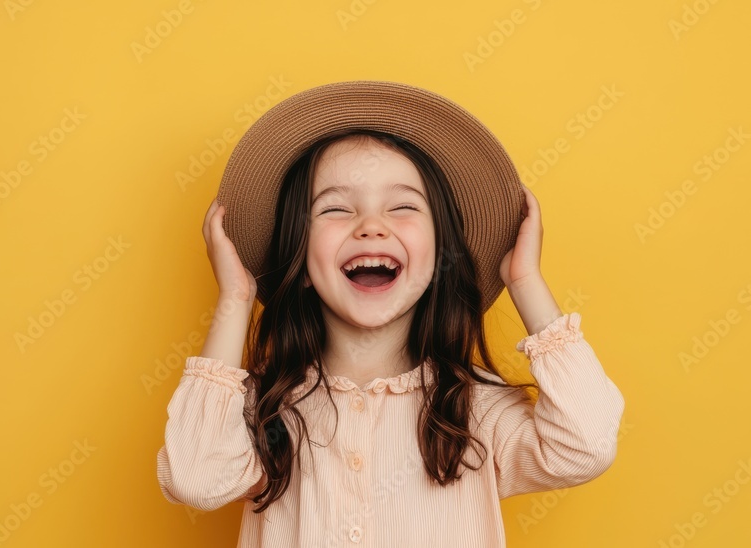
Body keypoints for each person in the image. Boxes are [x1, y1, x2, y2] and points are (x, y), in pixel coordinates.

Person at [156, 81, 625, 547]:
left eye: (402, 207)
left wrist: (526, 283)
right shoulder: (268, 409)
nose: (371, 228)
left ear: (441, 257)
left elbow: (585, 445)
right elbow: (196, 478)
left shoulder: (474, 411)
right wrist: (235, 299)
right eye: (336, 209)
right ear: (300, 262)